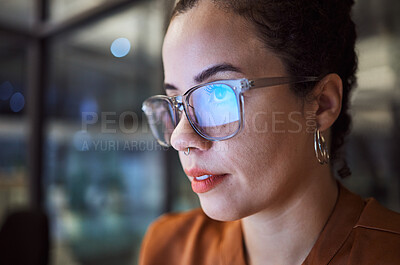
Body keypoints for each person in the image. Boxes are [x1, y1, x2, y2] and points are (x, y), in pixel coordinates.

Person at [139, 0, 400, 264]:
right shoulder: (170, 248)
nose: (180, 138)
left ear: (321, 105)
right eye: (177, 102)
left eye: (218, 96)